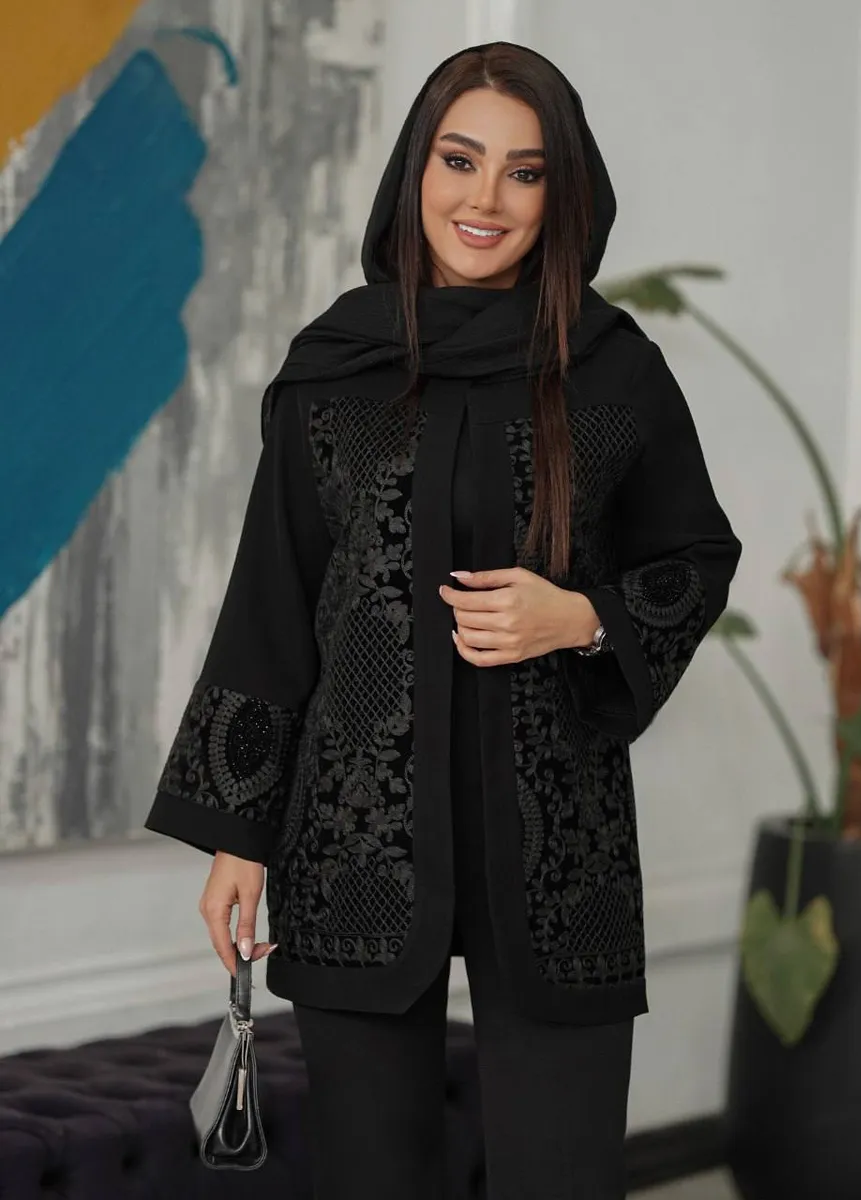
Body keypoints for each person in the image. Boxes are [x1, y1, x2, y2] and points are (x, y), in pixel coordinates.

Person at [144, 40, 742, 1200]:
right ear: (414, 170)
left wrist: (581, 616)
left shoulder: (611, 370)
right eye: (460, 160)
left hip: (558, 847)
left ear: (561, 193)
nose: (486, 198)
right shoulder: (336, 369)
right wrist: (237, 836)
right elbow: (274, 601)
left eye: (524, 171)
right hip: (354, 840)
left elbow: (696, 557)